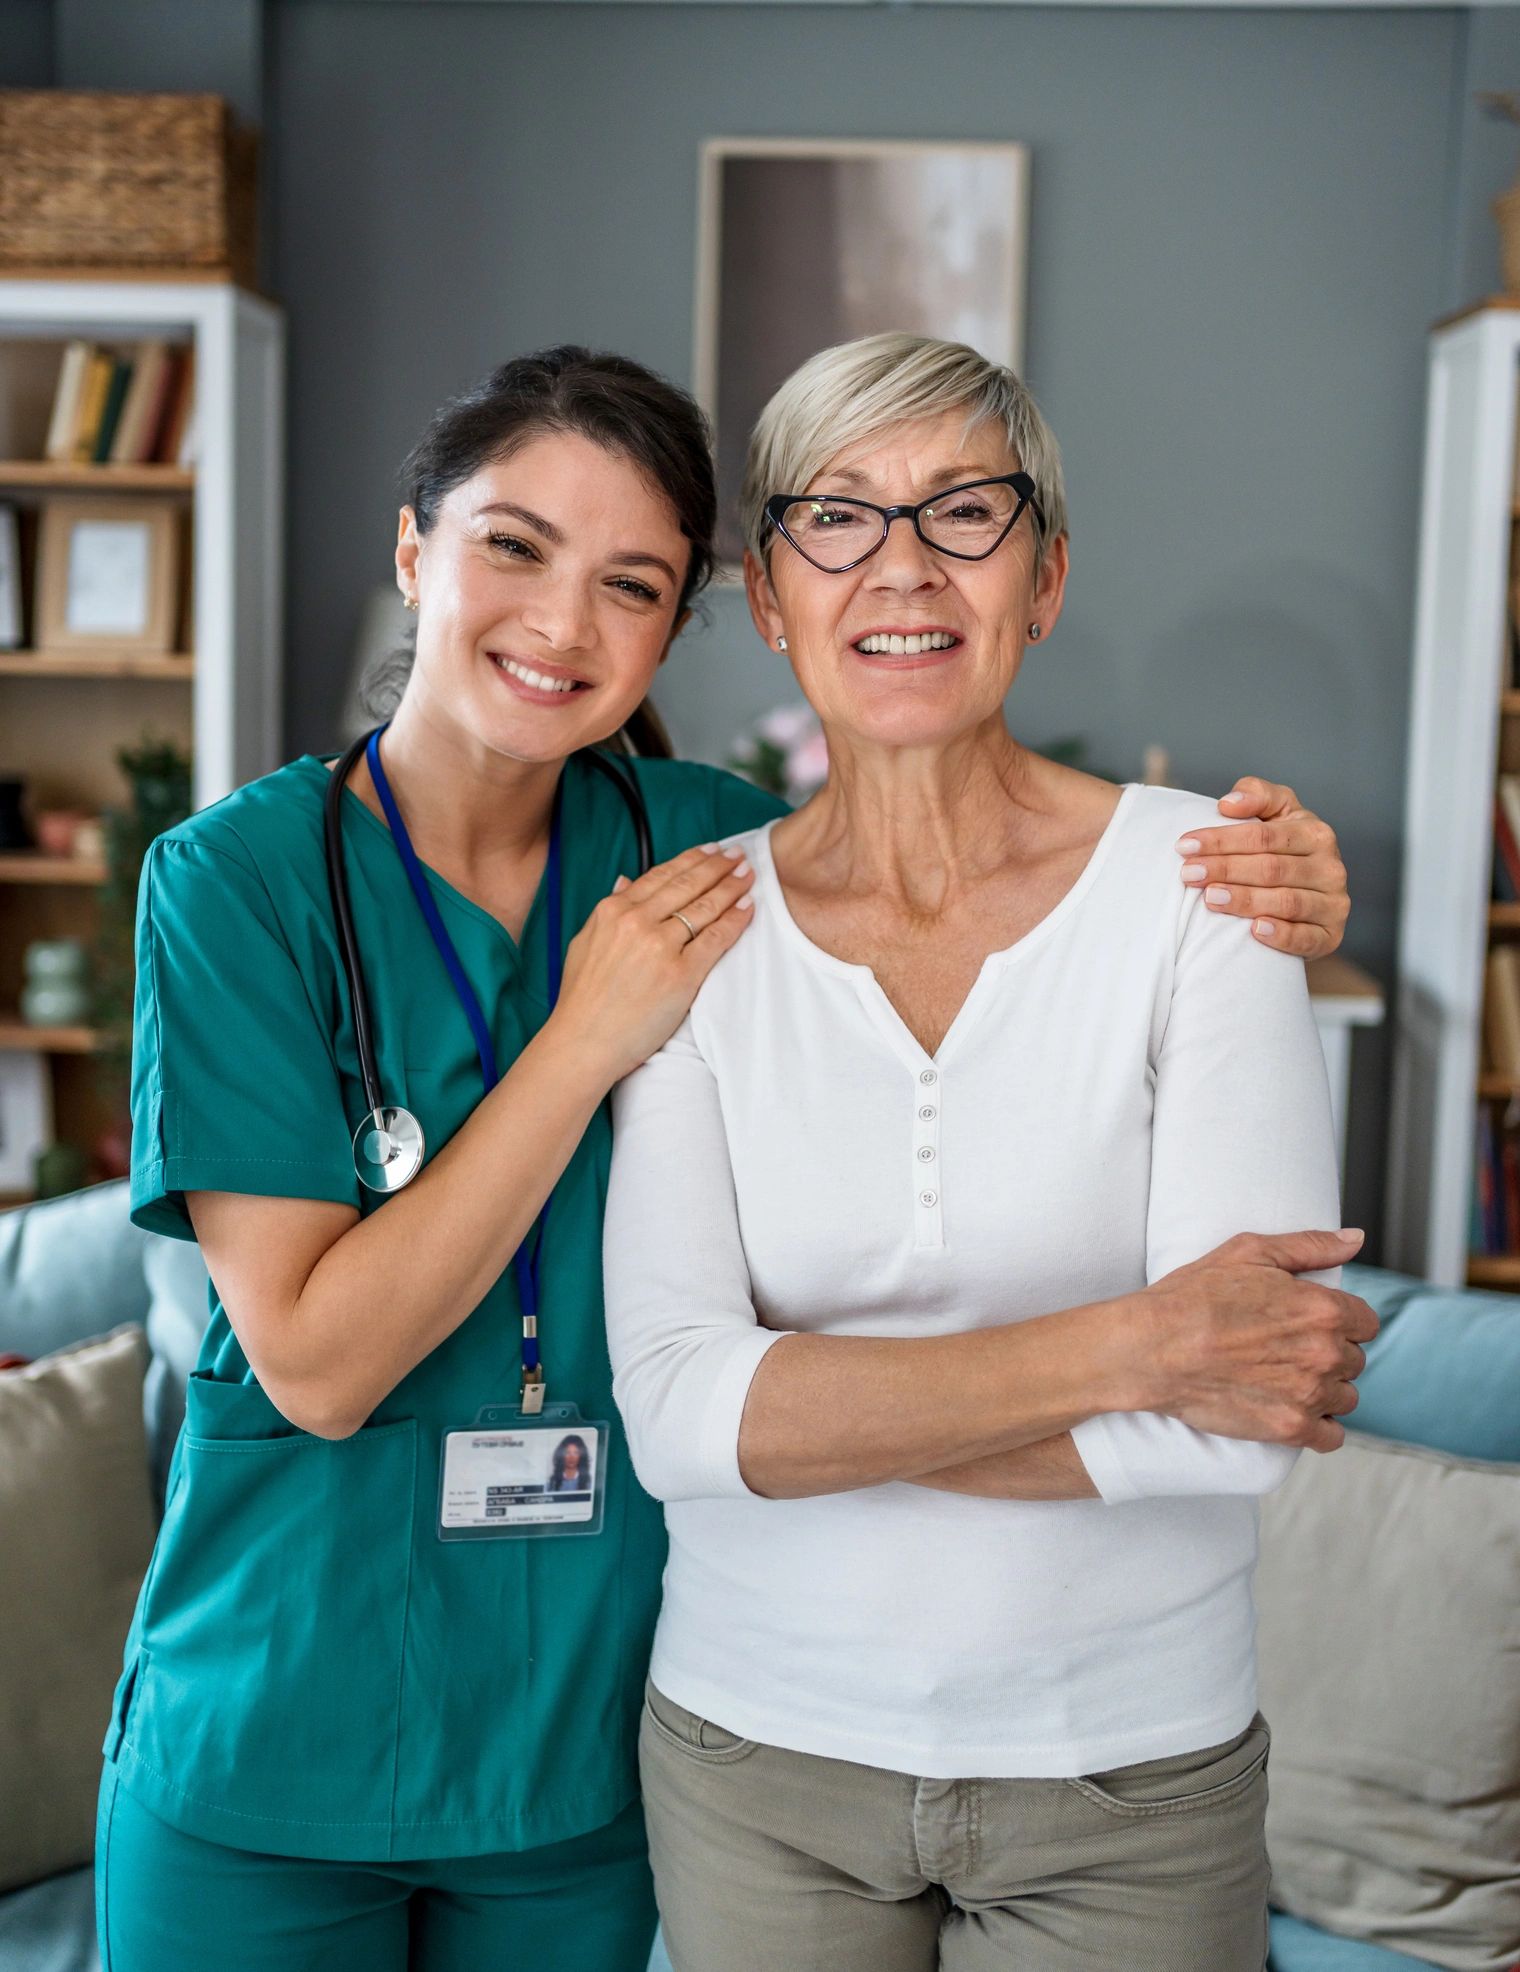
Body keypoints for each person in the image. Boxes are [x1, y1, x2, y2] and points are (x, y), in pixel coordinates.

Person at [97, 343, 1351, 1972]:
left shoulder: (699, 848)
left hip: (576, 1749)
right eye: (513, 546)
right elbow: (325, 1367)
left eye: (631, 584)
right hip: (278, 1718)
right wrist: (583, 1040)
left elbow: (928, 828)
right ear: (415, 551)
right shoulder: (243, 884)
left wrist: (1281, 883)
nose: (561, 625)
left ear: (694, 615)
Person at [602, 332, 1377, 1972]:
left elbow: (1238, 1434)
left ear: (1046, 578)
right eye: (839, 515)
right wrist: (1141, 1348)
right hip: (757, 1765)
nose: (903, 563)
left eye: (967, 511)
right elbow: (674, 1417)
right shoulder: (690, 931)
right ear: (768, 593)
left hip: (1133, 1778)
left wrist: (804, 1409)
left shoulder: (1214, 888)